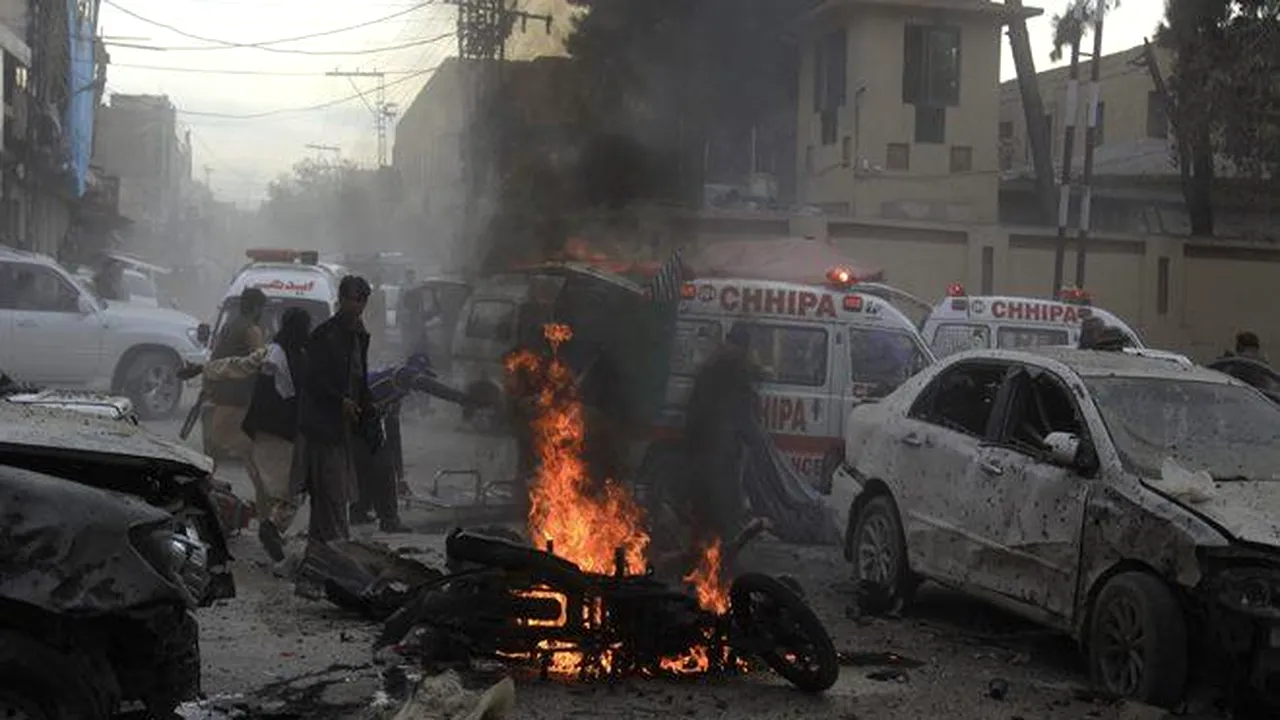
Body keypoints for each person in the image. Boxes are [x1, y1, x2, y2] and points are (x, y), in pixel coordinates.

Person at [351, 353, 486, 532]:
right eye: (420, 376)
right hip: (352, 419)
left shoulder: (395, 393)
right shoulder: (400, 373)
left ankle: (359, 512)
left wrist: (400, 476)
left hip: (361, 422)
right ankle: (389, 521)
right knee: (381, 468)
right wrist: (462, 398)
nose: (418, 388)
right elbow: (429, 386)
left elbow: (393, 436)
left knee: (372, 466)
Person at [294, 275, 374, 559]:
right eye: (354, 300)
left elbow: (359, 378)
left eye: (362, 301)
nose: (358, 307)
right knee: (331, 496)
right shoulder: (325, 335)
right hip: (324, 428)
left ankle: (319, 559)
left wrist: (367, 414)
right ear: (341, 300)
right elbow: (312, 379)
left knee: (333, 496)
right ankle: (339, 556)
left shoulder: (359, 335)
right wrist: (339, 401)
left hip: (345, 430)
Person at [241, 307, 311, 561]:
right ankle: (270, 529)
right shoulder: (295, 356)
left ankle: (269, 528)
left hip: (261, 429)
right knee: (289, 492)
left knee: (272, 490)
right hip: (282, 434)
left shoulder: (273, 352)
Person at [681, 323, 758, 546]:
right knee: (722, 511)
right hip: (719, 453)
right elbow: (741, 413)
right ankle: (718, 564)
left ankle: (700, 561)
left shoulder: (711, 364)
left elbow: (693, 409)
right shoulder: (737, 370)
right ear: (743, 346)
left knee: (703, 511)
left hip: (704, 450)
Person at [206, 287, 268, 475]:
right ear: (257, 308)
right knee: (231, 444)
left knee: (218, 445)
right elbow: (261, 361)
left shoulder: (230, 326)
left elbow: (216, 357)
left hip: (224, 393)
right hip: (236, 396)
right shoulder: (250, 329)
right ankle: (263, 494)